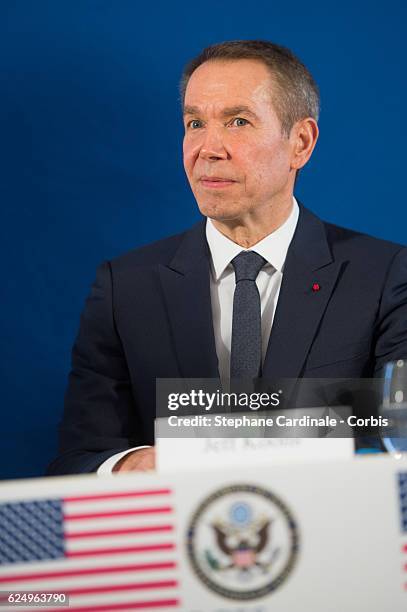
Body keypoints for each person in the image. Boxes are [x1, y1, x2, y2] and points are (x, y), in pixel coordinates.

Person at [47, 40, 407, 476]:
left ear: (301, 143)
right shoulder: (124, 289)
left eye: (238, 121)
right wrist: (128, 466)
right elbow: (79, 460)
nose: (208, 148)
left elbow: (397, 442)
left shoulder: (386, 277)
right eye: (195, 123)